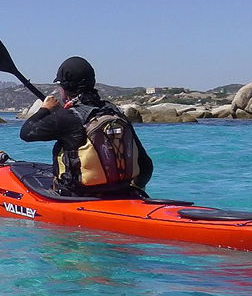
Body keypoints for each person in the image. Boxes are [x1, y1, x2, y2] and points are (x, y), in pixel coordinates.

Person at [19, 56, 153, 196]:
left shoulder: (69, 117)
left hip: (78, 197)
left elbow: (26, 133)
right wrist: (136, 191)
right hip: (123, 192)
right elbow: (146, 165)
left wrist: (45, 109)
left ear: (65, 88)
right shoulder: (114, 112)